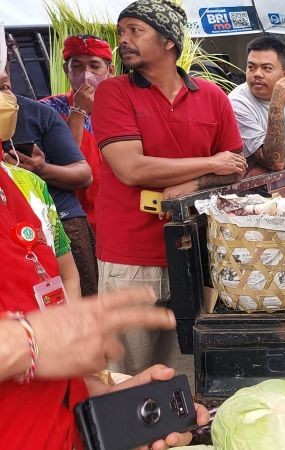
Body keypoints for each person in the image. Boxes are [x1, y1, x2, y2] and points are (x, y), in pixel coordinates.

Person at [0, 78, 209, 450]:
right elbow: (30, 343)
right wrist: (26, 343)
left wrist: (97, 405)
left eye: (3, 83)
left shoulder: (16, 185)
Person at [91, 0, 247, 375]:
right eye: (121, 32)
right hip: (130, 257)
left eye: (134, 31)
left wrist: (190, 186)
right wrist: (210, 163)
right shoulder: (114, 93)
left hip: (195, 254)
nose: (123, 41)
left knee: (189, 373)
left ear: (168, 41)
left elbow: (236, 167)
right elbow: (130, 168)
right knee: (128, 372)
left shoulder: (211, 96)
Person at [2, 59, 97, 301]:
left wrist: (40, 169)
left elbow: (83, 173)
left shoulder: (40, 113)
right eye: (77, 66)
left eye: (3, 87)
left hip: (58, 224)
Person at [39, 35, 113, 238]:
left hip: (118, 218)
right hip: (72, 221)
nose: (86, 74)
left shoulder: (123, 110)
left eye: (94, 66)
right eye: (77, 66)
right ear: (66, 70)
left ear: (110, 71)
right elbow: (64, 164)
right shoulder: (47, 110)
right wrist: (78, 111)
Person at [228, 35, 285, 178]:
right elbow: (273, 161)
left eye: (267, 68)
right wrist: (277, 106)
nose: (257, 74)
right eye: (251, 67)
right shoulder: (237, 102)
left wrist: (273, 163)